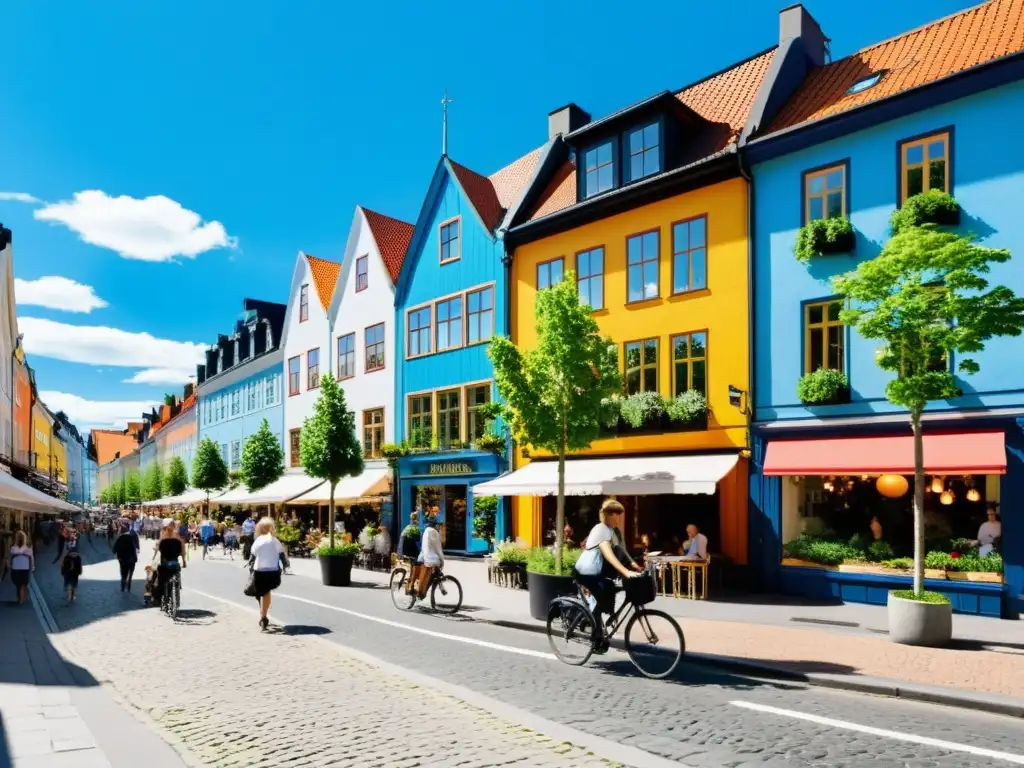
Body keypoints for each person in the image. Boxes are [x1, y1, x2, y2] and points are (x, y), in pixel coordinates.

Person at [574, 499, 641, 651]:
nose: (619, 518)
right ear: (607, 515)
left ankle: (598, 623)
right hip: (587, 572)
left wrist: (633, 565)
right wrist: (625, 571)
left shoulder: (614, 531)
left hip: (600, 573)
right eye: (615, 514)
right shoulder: (601, 529)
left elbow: (622, 551)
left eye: (619, 514)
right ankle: (595, 638)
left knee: (609, 594)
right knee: (600, 601)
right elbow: (608, 553)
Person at [249, 517, 283, 631]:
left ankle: (263, 616)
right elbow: (281, 552)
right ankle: (263, 615)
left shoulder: (258, 540)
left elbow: (253, 552)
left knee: (263, 593)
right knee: (266, 592)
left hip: (260, 569)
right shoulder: (274, 540)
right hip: (273, 569)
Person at [154, 520, 187, 603]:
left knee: (162, 578)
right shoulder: (177, 536)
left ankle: (160, 597)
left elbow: (158, 547)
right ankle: (177, 587)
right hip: (174, 560)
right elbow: (182, 549)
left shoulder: (163, 535)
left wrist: (154, 557)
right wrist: (184, 561)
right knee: (176, 572)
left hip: (164, 560)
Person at [414, 515, 444, 599]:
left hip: (423, 557)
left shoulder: (426, 531)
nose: (440, 527)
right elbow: (438, 549)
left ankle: (422, 591)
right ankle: (422, 592)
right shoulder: (434, 532)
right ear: (436, 525)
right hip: (431, 560)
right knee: (434, 572)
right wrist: (442, 561)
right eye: (439, 525)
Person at [112, 522, 140, 592]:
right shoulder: (133, 536)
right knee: (130, 573)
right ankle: (128, 587)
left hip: (122, 559)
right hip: (131, 558)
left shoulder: (120, 537)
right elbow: (136, 548)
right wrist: (135, 556)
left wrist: (117, 553)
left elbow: (114, 549)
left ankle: (123, 586)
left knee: (123, 572)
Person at [9, 530, 35, 605]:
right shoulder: (28, 547)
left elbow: (11, 557)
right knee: (23, 583)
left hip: (17, 567)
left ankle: (20, 598)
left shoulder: (13, 547)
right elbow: (31, 558)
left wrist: (10, 565)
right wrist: (32, 566)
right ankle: (22, 598)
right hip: (24, 567)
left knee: (19, 583)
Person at [61, 536, 83, 602]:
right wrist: (80, 571)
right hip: (75, 572)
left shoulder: (67, 556)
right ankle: (72, 595)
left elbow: (63, 564)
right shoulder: (78, 557)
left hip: (68, 572)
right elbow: (80, 565)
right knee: (74, 584)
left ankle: (68, 591)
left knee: (67, 582)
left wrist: (62, 571)